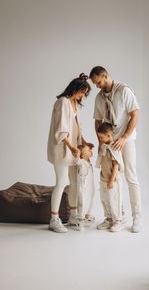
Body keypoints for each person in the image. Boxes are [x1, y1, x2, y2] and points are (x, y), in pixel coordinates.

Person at [89, 66, 142, 233]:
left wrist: (125, 137)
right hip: (109, 141)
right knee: (109, 181)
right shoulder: (99, 97)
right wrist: (100, 142)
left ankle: (137, 218)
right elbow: (98, 121)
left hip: (125, 140)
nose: (97, 86)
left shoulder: (124, 91)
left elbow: (135, 115)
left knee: (130, 176)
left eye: (98, 82)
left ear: (106, 76)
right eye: (95, 84)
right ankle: (114, 216)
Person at [47, 73, 91, 233]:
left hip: (74, 148)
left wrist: (83, 142)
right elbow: (61, 130)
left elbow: (76, 128)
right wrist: (72, 146)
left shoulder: (75, 105)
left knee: (74, 181)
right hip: (62, 149)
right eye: (82, 92)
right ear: (75, 89)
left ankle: (73, 215)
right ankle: (54, 218)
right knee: (61, 182)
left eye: (85, 94)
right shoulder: (62, 102)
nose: (83, 96)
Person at [96, 122, 124, 232]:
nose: (100, 139)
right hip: (103, 178)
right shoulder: (103, 147)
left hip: (113, 180)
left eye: (101, 137)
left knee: (114, 200)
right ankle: (109, 219)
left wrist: (112, 180)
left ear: (109, 135)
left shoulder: (114, 147)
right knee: (105, 199)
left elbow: (116, 165)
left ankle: (118, 221)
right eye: (99, 137)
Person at [73, 144, 95, 231]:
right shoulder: (81, 162)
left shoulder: (89, 162)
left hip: (90, 186)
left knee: (90, 200)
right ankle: (80, 220)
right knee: (82, 202)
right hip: (83, 187)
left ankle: (87, 215)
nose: (91, 151)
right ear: (82, 154)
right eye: (88, 150)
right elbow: (76, 161)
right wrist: (77, 154)